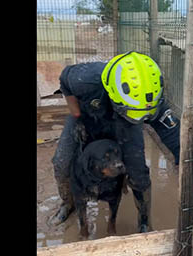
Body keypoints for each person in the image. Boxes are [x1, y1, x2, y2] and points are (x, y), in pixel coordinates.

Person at [49, 51, 180, 233]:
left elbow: (173, 135)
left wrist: (183, 161)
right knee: (62, 162)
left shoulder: (151, 95)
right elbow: (64, 80)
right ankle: (67, 203)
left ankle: (144, 221)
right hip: (87, 115)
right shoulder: (85, 79)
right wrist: (76, 114)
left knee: (138, 173)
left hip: (127, 124)